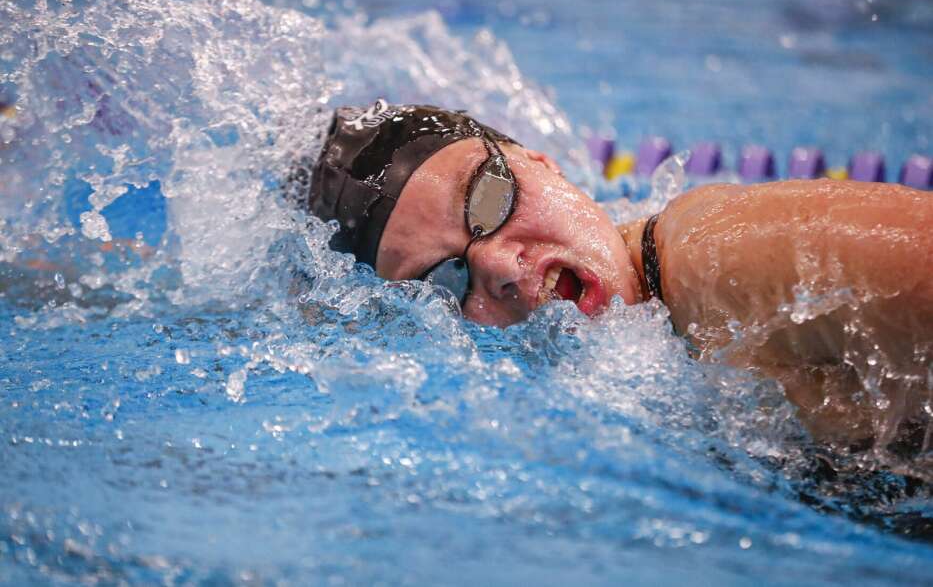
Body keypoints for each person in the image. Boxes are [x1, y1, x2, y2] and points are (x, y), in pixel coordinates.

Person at [289, 99, 933, 468]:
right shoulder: (665, 354)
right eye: (444, 280)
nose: (500, 268)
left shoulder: (725, 257)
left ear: (541, 162)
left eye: (488, 198)